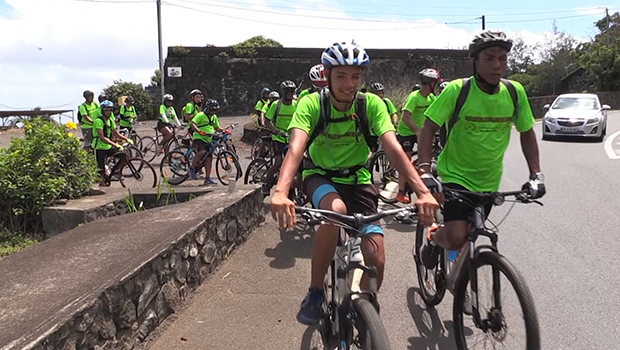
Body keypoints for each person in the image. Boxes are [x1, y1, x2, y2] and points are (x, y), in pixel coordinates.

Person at [270, 41, 439, 326]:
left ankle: (366, 307)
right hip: (320, 176)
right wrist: (281, 191)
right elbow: (296, 148)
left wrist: (421, 192)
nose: (349, 84)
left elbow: (393, 147)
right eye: (341, 76)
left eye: (356, 76)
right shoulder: (312, 103)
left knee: (377, 258)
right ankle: (314, 292)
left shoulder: (369, 104)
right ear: (327, 74)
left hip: (359, 178)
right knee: (335, 212)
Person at [417, 29, 545, 272]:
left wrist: (536, 175)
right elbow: (428, 128)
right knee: (456, 235)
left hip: (489, 180)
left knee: (472, 235)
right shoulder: (457, 90)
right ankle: (434, 236)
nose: (497, 65)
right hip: (455, 176)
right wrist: (424, 170)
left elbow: (527, 132)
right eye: (490, 58)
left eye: (502, 59)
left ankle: (462, 281)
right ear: (474, 61)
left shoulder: (514, 92)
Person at [395, 68, 442, 204]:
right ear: (430, 83)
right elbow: (406, 117)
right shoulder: (414, 97)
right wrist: (416, 131)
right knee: (406, 160)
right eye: (435, 83)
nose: (436, 86)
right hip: (407, 131)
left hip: (420, 131)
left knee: (427, 158)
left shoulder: (431, 97)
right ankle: (401, 192)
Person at [262, 80, 297, 195]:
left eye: (292, 91)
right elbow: (267, 121)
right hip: (278, 138)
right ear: (283, 92)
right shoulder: (276, 105)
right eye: (287, 91)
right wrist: (274, 130)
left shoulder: (296, 105)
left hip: (291, 138)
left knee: (294, 163)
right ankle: (266, 183)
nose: (290, 94)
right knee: (278, 161)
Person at [92, 100, 132, 186]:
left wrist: (126, 139)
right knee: (100, 169)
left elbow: (115, 133)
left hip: (107, 146)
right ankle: (102, 183)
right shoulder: (98, 121)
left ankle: (113, 172)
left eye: (110, 110)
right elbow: (102, 138)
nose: (109, 112)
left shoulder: (110, 120)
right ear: (102, 111)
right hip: (99, 147)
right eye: (106, 110)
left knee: (123, 156)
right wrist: (115, 145)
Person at [189, 99, 225, 185]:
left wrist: (224, 131)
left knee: (209, 158)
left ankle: (207, 178)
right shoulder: (201, 115)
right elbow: (192, 123)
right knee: (202, 151)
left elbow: (217, 127)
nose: (213, 111)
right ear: (208, 108)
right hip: (199, 137)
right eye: (212, 109)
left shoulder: (214, 117)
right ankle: (192, 168)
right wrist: (199, 131)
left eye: (215, 110)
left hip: (208, 139)